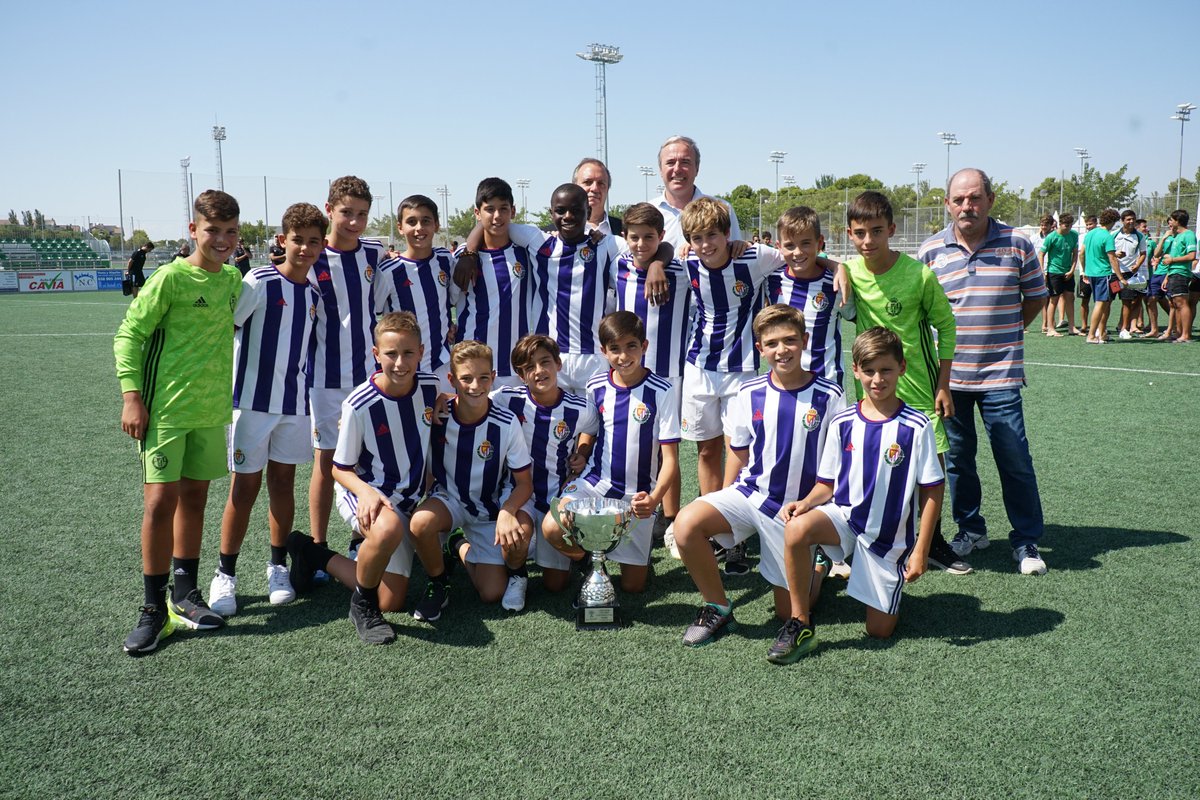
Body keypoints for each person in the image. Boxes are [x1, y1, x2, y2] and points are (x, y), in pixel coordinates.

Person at [114, 190, 243, 655]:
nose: (222, 239)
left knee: (194, 499)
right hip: (165, 411)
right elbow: (129, 336)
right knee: (159, 503)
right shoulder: (169, 278)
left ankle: (185, 596)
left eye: (231, 231)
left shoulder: (232, 280)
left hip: (211, 414)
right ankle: (152, 610)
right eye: (213, 230)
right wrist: (133, 398)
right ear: (194, 231)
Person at [675, 304, 845, 651]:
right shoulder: (748, 393)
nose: (781, 350)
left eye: (790, 340)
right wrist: (721, 506)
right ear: (760, 349)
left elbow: (838, 464)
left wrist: (816, 509)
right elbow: (738, 454)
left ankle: (819, 564)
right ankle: (717, 606)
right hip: (751, 496)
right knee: (686, 523)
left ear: (805, 341)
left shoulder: (830, 395)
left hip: (797, 511)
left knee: (791, 611)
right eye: (772, 343)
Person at [774, 327, 944, 660]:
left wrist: (921, 549)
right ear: (855, 370)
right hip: (845, 519)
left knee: (878, 631)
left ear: (902, 368)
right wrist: (806, 503)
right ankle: (799, 623)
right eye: (868, 371)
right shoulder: (843, 422)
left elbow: (933, 490)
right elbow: (827, 484)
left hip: (886, 539)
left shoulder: (917, 425)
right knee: (795, 529)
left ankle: (823, 569)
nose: (877, 379)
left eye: (885, 370)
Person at [918, 168, 1048, 576]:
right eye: (958, 200)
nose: (966, 206)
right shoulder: (931, 251)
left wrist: (1005, 335)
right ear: (947, 204)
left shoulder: (1017, 244)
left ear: (990, 199)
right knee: (958, 461)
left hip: (1001, 376)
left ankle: (1026, 538)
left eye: (974, 198)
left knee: (1014, 457)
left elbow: (1035, 298)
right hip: (949, 381)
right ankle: (971, 529)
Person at [287, 312, 442, 644]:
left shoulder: (430, 387)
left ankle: (312, 554)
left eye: (408, 353)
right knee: (387, 530)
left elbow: (447, 405)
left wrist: (447, 403)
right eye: (391, 354)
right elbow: (338, 468)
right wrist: (367, 493)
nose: (400, 363)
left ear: (421, 351)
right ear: (376, 354)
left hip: (408, 500)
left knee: (394, 600)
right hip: (366, 491)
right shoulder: (359, 403)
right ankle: (363, 606)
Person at [838, 190, 968, 574]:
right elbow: (817, 261)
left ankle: (934, 540)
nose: (868, 241)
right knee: (871, 462)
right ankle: (869, 537)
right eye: (859, 233)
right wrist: (838, 268)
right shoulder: (853, 270)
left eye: (876, 231)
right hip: (873, 388)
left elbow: (946, 326)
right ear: (849, 234)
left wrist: (943, 385)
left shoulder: (918, 274)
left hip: (919, 389)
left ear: (891, 229)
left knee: (932, 465)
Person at [209, 203, 324, 617]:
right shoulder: (258, 280)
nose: (306, 248)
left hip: (294, 406)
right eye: (298, 240)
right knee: (244, 488)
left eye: (314, 241)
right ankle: (225, 574)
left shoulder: (313, 294)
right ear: (282, 241)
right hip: (252, 405)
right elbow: (227, 331)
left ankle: (277, 566)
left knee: (283, 483)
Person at [542, 311, 681, 595]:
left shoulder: (662, 391)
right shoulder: (596, 386)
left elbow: (670, 460)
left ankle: (610, 552)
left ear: (644, 347)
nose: (623, 356)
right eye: (614, 349)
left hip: (637, 497)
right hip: (596, 485)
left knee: (632, 587)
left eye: (631, 346)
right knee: (551, 528)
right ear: (604, 351)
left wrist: (653, 499)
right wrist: (582, 451)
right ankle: (589, 559)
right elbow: (590, 430)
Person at [409, 340, 535, 620]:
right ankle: (437, 583)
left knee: (491, 593)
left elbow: (524, 483)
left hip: (489, 508)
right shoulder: (437, 414)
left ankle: (458, 546)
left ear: (492, 377)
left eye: (482, 377)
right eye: (466, 378)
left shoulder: (506, 422)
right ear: (452, 379)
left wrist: (507, 511)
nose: (475, 385)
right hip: (449, 500)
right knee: (419, 523)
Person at [307, 176, 385, 566]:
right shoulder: (311, 257)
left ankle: (360, 536)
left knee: (368, 460)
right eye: (346, 213)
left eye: (362, 214)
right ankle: (318, 547)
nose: (354, 221)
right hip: (325, 380)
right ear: (329, 210)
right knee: (326, 463)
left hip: (369, 377)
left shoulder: (374, 254)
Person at [493, 334, 599, 594]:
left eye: (545, 362)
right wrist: (443, 399)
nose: (539, 371)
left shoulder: (580, 407)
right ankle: (517, 576)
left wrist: (582, 452)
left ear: (558, 364)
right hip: (520, 492)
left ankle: (590, 564)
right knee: (517, 538)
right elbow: (471, 397)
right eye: (529, 367)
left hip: (556, 494)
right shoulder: (507, 399)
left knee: (555, 586)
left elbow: (592, 429)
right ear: (521, 375)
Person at [610, 203, 691, 543]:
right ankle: (626, 507)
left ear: (660, 237)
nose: (641, 244)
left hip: (668, 372)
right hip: (629, 373)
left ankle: (670, 517)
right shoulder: (618, 264)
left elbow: (675, 253)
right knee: (635, 443)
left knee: (668, 446)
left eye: (649, 237)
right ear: (625, 237)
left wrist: (661, 261)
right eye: (634, 237)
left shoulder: (682, 272)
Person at [447, 178, 535, 386]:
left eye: (503, 209)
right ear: (477, 213)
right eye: (489, 209)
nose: (497, 216)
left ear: (512, 212)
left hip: (515, 366)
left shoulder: (527, 253)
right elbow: (448, 300)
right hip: (472, 364)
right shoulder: (462, 258)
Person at [374, 195, 456, 392]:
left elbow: (453, 300)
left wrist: (451, 325)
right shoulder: (387, 271)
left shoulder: (446, 260)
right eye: (411, 222)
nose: (419, 228)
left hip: (441, 364)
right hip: (403, 369)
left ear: (436, 225)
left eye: (426, 221)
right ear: (400, 227)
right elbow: (375, 311)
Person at [765, 206, 850, 385]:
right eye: (789, 245)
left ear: (819, 243)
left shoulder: (836, 284)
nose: (797, 252)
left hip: (826, 386)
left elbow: (855, 316)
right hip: (782, 386)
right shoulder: (770, 279)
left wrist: (838, 266)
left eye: (805, 243)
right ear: (779, 247)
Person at [652, 135, 742, 247]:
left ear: (697, 169)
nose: (677, 169)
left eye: (685, 162)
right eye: (670, 162)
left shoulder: (723, 210)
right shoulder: (647, 212)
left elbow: (735, 256)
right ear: (660, 170)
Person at [1081, 208, 1121, 344]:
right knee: (1101, 304)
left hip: (1092, 273)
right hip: (1104, 274)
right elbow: (1112, 259)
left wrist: (1085, 270)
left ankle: (1102, 333)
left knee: (1104, 304)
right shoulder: (1107, 236)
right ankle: (1091, 335)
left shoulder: (1091, 234)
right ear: (1112, 221)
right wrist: (1121, 278)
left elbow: (1082, 253)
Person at [1039, 213, 1081, 335]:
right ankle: (1050, 329)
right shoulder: (1051, 237)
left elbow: (1075, 254)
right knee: (1054, 300)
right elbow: (1041, 254)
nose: (1068, 228)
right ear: (1060, 224)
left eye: (1070, 225)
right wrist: (1042, 272)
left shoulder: (1074, 235)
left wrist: (1072, 269)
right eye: (1066, 225)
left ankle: (1071, 327)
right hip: (1054, 272)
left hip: (1068, 272)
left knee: (1070, 299)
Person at [1160, 209, 1197, 342]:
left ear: (1178, 221)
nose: (1170, 222)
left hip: (1181, 273)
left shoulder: (1188, 235)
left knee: (1182, 303)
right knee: (1176, 304)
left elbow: (1192, 256)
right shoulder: (1176, 236)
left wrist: (1172, 260)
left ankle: (1186, 335)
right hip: (1173, 273)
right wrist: (1168, 274)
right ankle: (1180, 333)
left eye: (1172, 220)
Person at [1113, 209, 1148, 339]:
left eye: (1133, 219)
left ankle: (1124, 329)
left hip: (1129, 275)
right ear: (1122, 221)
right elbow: (1108, 252)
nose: (1131, 221)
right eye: (1128, 219)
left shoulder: (1139, 236)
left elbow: (1143, 254)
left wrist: (1137, 265)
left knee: (1127, 301)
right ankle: (1101, 328)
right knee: (1107, 301)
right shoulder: (1114, 234)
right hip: (1113, 274)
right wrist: (1115, 254)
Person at [574, 157, 623, 237]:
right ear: (574, 187)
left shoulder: (625, 230)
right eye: (588, 182)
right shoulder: (551, 235)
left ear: (607, 189)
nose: (595, 188)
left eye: (601, 183)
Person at [1031, 215, 1055, 334]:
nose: (1043, 227)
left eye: (1046, 225)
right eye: (1042, 225)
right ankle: (1025, 325)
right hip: (1036, 271)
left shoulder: (1054, 237)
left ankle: (1046, 323)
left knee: (1049, 298)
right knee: (1034, 297)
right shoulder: (1034, 238)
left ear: (1051, 225)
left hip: (1050, 270)